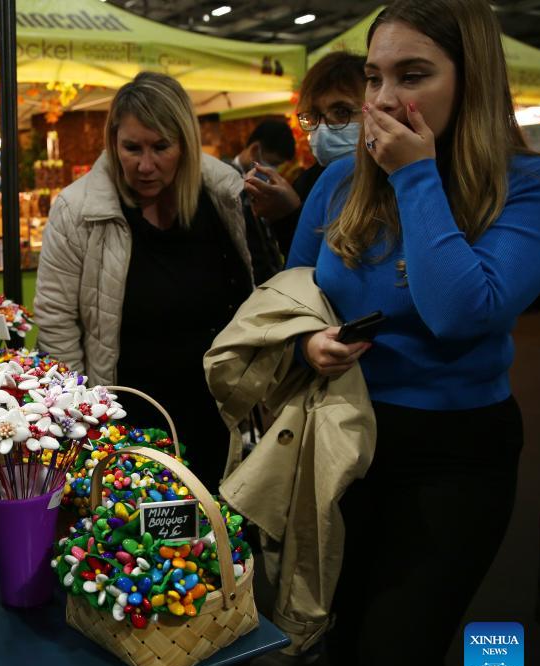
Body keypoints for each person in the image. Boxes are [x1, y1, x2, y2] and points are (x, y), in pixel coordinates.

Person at [285, 0, 540, 666]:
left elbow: (464, 312)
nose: (382, 101)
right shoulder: (338, 185)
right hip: (346, 436)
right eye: (375, 78)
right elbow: (286, 300)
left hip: (457, 453)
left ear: (472, 80)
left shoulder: (530, 187)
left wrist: (415, 176)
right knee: (339, 640)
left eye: (413, 75)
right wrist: (305, 342)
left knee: (399, 657)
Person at [34, 71, 253, 483]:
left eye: (161, 148)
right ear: (113, 142)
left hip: (215, 416)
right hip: (125, 422)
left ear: (185, 144)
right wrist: (85, 417)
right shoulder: (78, 211)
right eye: (131, 148)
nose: (145, 165)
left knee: (214, 534)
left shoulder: (226, 198)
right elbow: (56, 320)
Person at [244, 52, 367, 258]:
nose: (324, 128)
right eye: (315, 116)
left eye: (342, 112)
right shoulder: (308, 184)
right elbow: (304, 270)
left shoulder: (398, 182)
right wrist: (287, 214)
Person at [226, 120, 296, 285]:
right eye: (274, 163)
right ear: (255, 150)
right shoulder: (226, 182)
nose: (275, 170)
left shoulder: (265, 187)